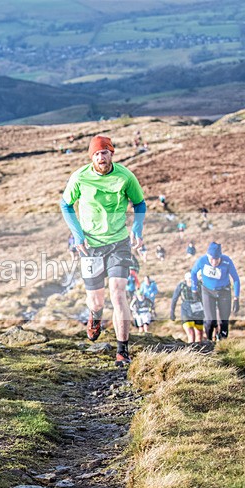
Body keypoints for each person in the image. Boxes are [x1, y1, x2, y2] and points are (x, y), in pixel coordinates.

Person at [61, 135, 146, 367]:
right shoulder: (80, 177)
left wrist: (137, 228)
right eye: (97, 153)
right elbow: (65, 205)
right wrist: (78, 235)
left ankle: (122, 350)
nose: (101, 157)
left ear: (112, 154)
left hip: (119, 242)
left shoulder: (125, 176)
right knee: (96, 301)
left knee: (119, 294)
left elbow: (140, 203)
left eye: (105, 152)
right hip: (91, 246)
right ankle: (95, 317)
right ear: (92, 157)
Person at [190, 242, 240, 341]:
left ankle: (223, 342)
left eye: (216, 259)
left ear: (220, 257)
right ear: (208, 256)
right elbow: (193, 273)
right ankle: (208, 341)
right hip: (207, 291)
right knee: (210, 321)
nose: (214, 262)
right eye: (211, 259)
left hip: (224, 291)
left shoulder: (227, 261)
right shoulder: (202, 260)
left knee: (224, 321)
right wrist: (194, 289)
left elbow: (236, 279)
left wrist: (236, 298)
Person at [170, 272, 205, 343]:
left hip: (198, 311)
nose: (190, 280)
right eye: (188, 278)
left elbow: (205, 298)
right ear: (185, 279)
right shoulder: (181, 286)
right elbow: (174, 299)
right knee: (191, 334)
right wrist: (172, 312)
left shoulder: (199, 285)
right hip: (186, 311)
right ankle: (191, 350)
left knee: (199, 334)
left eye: (191, 278)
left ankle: (199, 351)